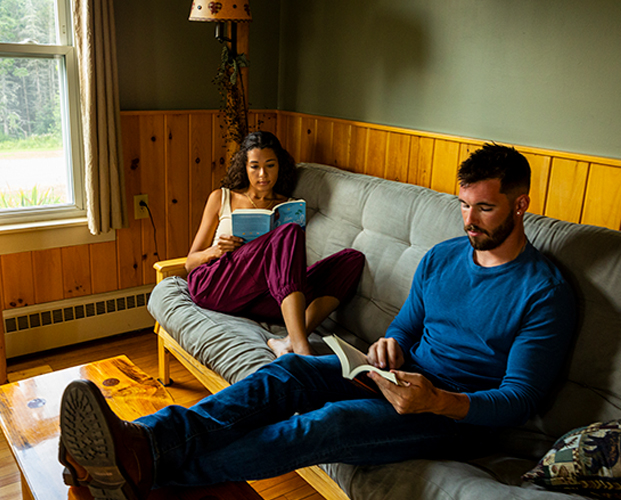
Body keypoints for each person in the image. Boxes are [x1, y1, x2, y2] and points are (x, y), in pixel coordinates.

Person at [58, 143, 576, 500]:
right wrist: (391, 344)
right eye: (463, 206)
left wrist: (438, 400)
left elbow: (519, 400)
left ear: (520, 204)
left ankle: (143, 467)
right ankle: (137, 440)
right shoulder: (442, 257)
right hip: (395, 378)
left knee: (323, 425)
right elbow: (407, 325)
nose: (469, 221)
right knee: (285, 376)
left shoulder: (543, 292)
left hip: (453, 418)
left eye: (484, 209)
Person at [184, 131, 365, 357]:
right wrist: (215, 250)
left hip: (264, 295)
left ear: (280, 166)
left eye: (270, 165)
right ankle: (302, 347)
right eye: (254, 166)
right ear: (244, 167)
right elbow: (190, 263)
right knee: (287, 232)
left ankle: (289, 341)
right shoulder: (222, 197)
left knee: (351, 260)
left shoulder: (289, 206)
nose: (263, 174)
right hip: (218, 285)